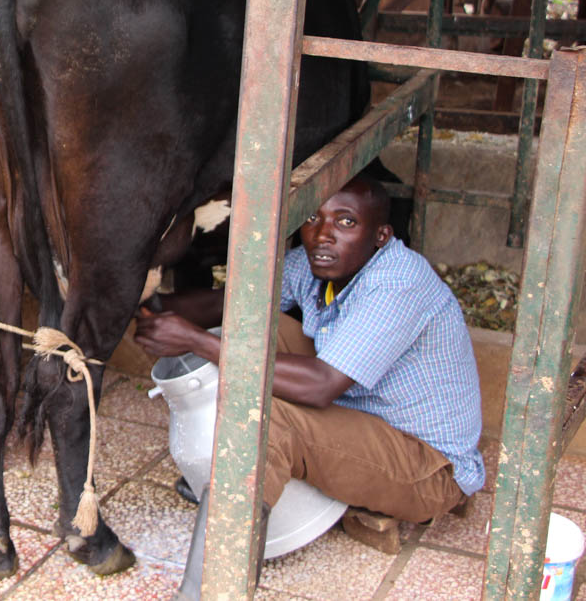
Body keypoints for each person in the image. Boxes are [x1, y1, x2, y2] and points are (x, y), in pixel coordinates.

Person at [134, 174, 484, 598]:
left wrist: (195, 341)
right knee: (262, 325)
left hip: (425, 464)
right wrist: (136, 299)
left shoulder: (397, 282)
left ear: (381, 235)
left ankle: (204, 591)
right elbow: (227, 304)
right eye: (314, 218)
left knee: (271, 423)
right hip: (364, 413)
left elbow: (322, 386)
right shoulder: (319, 261)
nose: (323, 234)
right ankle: (224, 477)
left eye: (346, 222)